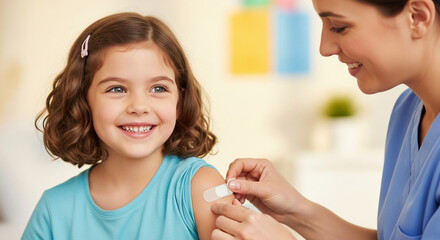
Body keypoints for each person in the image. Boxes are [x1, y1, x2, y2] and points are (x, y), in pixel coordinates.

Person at [211, 0, 440, 239]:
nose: (325, 47)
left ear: (417, 17)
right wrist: (297, 211)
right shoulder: (407, 111)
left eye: (338, 26)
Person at [22, 12, 234, 240]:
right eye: (117, 89)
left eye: (159, 88)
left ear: (179, 102)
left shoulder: (200, 188)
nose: (139, 106)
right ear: (83, 101)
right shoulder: (53, 210)